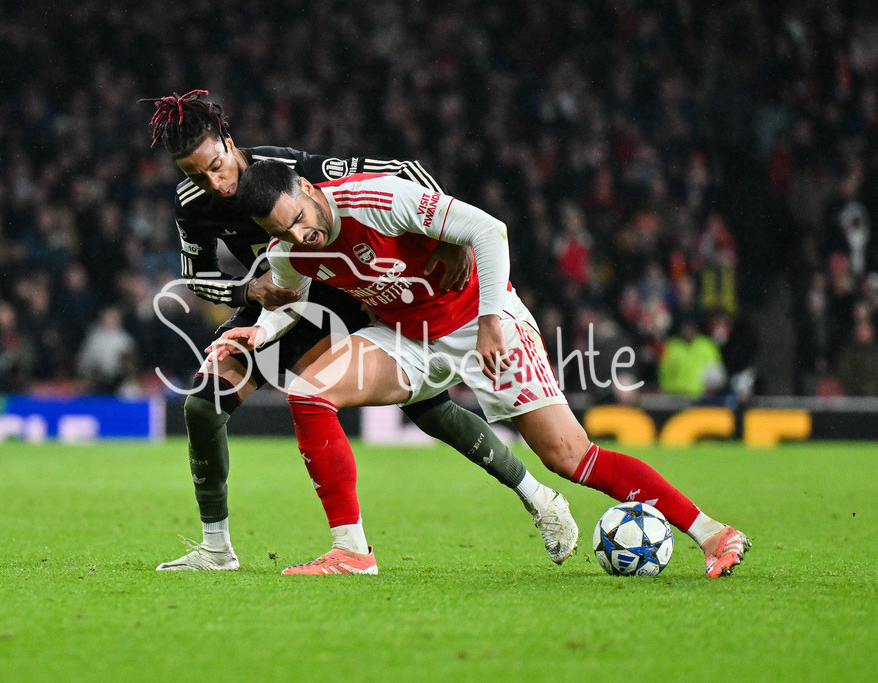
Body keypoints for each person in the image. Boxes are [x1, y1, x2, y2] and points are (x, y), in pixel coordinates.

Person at [214, 160, 750, 577]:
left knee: (570, 457)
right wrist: (258, 333)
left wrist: (492, 319)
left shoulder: (378, 201)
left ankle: (711, 533)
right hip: (408, 338)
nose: (300, 235)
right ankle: (351, 551)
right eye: (283, 231)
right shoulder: (289, 250)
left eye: (300, 219)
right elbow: (287, 299)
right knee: (309, 391)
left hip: (481, 320)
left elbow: (489, 232)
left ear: (308, 188)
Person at [143, 90, 578, 571]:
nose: (214, 182)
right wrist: (249, 295)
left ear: (227, 139)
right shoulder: (192, 202)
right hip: (280, 302)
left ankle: (537, 497)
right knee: (203, 405)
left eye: (216, 165)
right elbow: (196, 275)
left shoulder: (290, 168)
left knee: (429, 409)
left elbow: (404, 173)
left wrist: (447, 238)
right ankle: (217, 550)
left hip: (345, 298)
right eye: (195, 174)